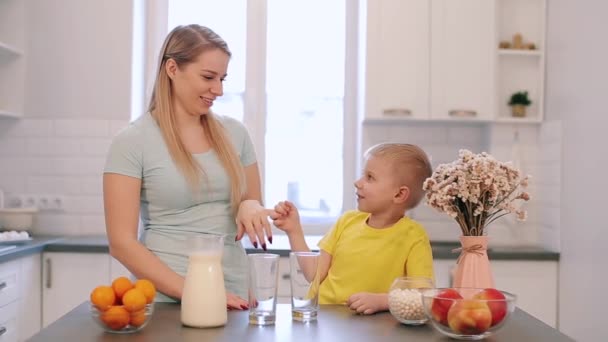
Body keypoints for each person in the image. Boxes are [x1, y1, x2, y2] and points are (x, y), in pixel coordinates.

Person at [103, 24, 272, 308]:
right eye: (208, 77)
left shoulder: (236, 134)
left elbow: (252, 204)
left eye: (222, 78)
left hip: (234, 293)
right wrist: (196, 292)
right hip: (166, 299)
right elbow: (121, 243)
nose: (217, 90)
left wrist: (250, 206)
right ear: (172, 68)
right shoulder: (131, 141)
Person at [272, 143, 434, 314]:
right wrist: (294, 230)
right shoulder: (347, 221)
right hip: (322, 316)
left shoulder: (414, 236)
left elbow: (423, 297)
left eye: (370, 177)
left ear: (399, 194)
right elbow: (313, 274)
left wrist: (381, 301)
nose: (358, 182)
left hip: (370, 326)